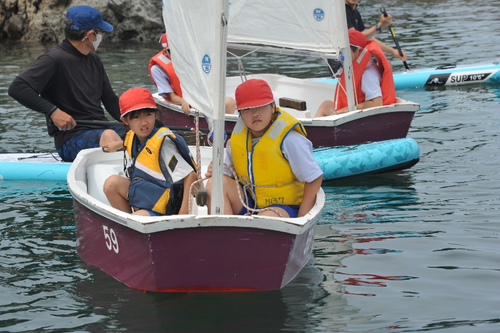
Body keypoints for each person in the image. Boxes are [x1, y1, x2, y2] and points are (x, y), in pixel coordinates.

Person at [8, 5, 125, 162]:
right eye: (101, 31)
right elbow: (17, 88)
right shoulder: (53, 60)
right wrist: (53, 112)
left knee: (147, 131)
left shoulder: (95, 60)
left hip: (100, 129)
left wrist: (133, 117)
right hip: (70, 139)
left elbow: (109, 98)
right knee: (110, 136)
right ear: (91, 35)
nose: (102, 35)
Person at [205, 79, 323, 218]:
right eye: (247, 109)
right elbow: (227, 173)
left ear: (272, 107)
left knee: (264, 218)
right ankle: (224, 232)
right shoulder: (235, 141)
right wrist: (216, 170)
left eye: (260, 106)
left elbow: (314, 177)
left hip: (284, 207)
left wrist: (303, 216)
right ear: (240, 114)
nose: (254, 113)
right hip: (250, 202)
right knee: (215, 183)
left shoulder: (289, 139)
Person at [103, 87, 198, 216]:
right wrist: (116, 145)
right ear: (125, 121)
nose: (144, 122)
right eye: (136, 117)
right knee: (111, 184)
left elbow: (190, 176)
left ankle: (134, 221)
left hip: (166, 208)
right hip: (148, 199)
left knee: (135, 219)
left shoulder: (164, 146)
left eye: (148, 115)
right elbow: (129, 143)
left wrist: (183, 215)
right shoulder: (132, 137)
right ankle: (128, 221)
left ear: (155, 115)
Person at [149, 32, 236, 115]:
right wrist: (183, 101)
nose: (179, 54)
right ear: (165, 52)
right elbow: (172, 97)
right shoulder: (157, 69)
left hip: (200, 98)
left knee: (230, 102)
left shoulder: (191, 57)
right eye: (174, 51)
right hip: (182, 102)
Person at [315, 30, 396, 117]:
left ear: (359, 51)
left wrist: (350, 109)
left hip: (363, 117)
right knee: (325, 105)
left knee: (326, 107)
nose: (340, 56)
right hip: (356, 113)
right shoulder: (361, 68)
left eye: (344, 51)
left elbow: (377, 103)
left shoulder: (367, 74)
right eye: (340, 51)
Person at [328, 0, 407, 76]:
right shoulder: (341, 11)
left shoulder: (355, 12)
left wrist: (392, 51)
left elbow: (368, 38)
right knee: (382, 66)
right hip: (340, 67)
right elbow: (354, 38)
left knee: (385, 64)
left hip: (351, 63)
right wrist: (380, 26)